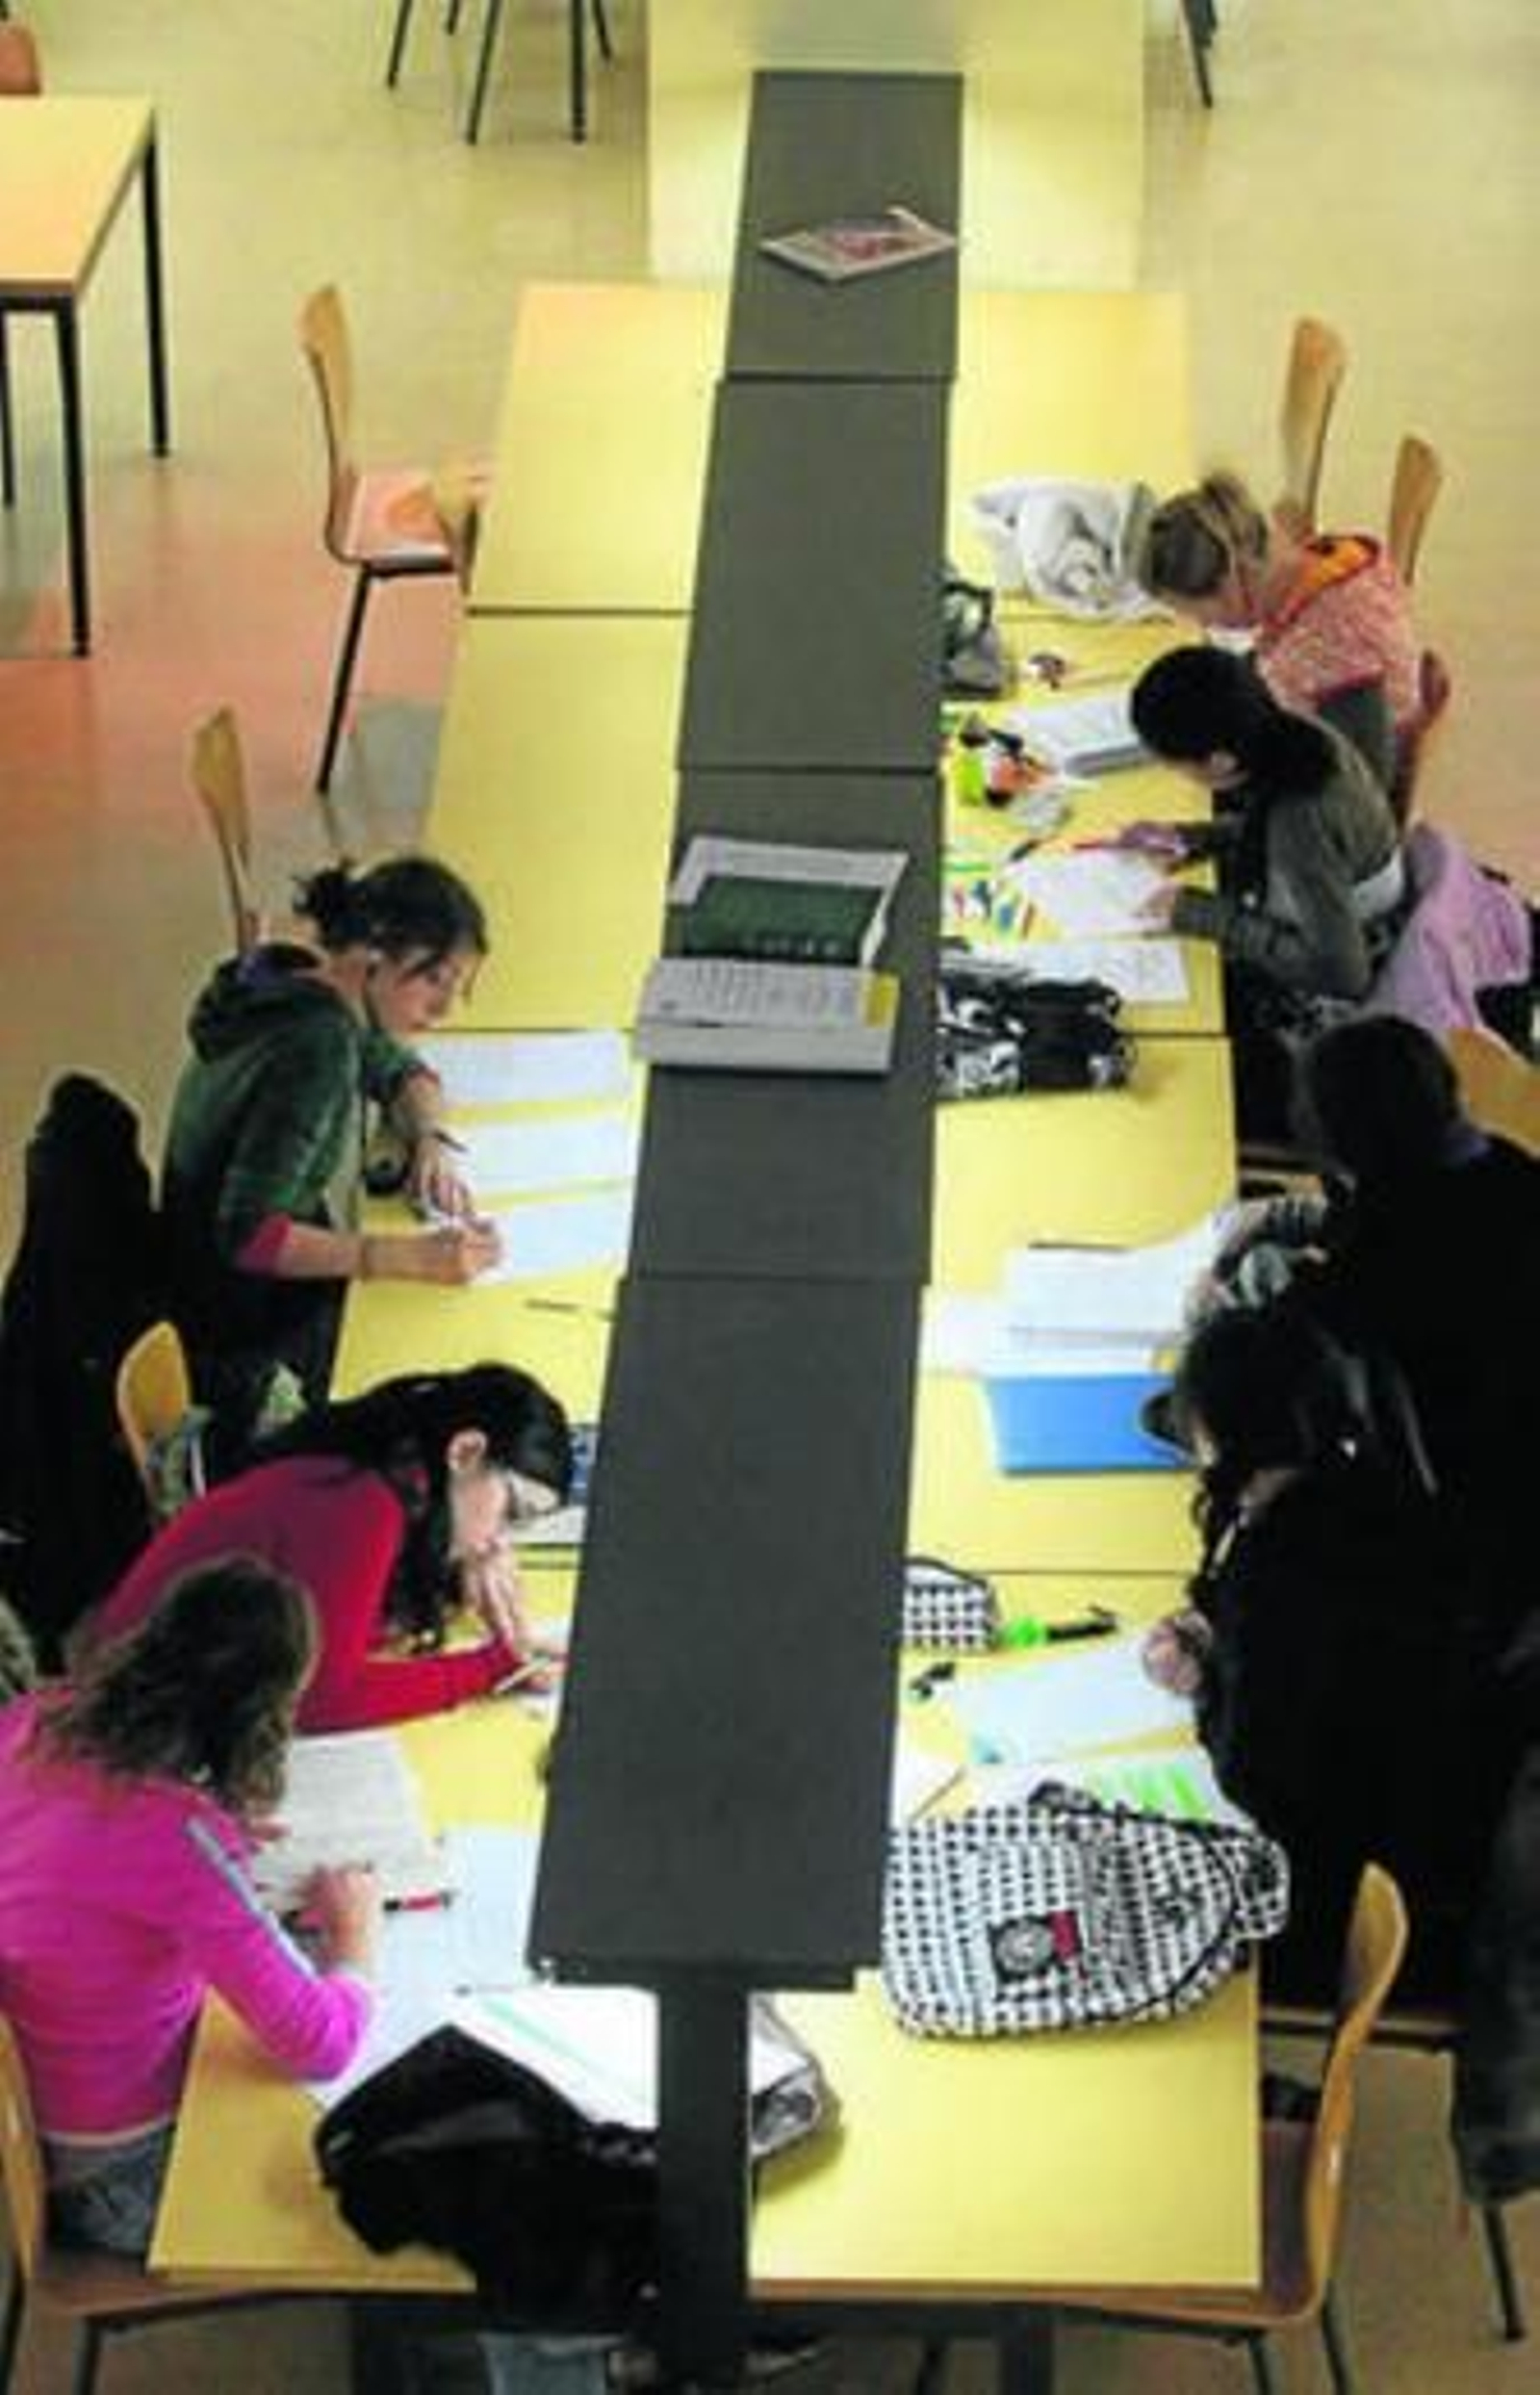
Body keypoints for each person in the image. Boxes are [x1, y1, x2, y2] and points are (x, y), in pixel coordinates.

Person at [0, 1558, 378, 2255]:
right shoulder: (180, 1841)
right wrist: (355, 1942)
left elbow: (81, 1859)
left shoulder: (36, 1719)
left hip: (42, 2125)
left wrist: (212, 1831)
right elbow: (322, 2046)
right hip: (119, 2178)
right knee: (369, 2144)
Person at [1143, 1306, 1510, 2004]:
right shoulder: (1378, 1488)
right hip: (1423, 1838)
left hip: (1327, 1897)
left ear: (1213, 1438)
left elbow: (1254, 1777)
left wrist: (1204, 1685)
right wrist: (1223, 1642)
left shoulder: (1274, 1573)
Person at [162, 854, 501, 1462]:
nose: (445, 1009)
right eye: (434, 981)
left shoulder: (294, 982)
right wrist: (406, 1258)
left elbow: (397, 1066)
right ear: (373, 957)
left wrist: (428, 1137)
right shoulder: (317, 1052)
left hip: (194, 1265)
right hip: (240, 1327)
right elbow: (249, 1238)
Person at [83, 1364, 573, 1732]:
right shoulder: (364, 1509)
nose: (500, 1542)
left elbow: (350, 1625)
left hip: (179, 1671)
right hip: (134, 1713)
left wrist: (449, 1579)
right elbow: (321, 1698)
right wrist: (490, 1668)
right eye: (512, 1513)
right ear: (465, 1452)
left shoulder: (396, 1453)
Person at [1125, 646, 1406, 1137]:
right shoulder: (1296, 736)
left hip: (1338, 983)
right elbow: (1266, 826)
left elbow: (1343, 972)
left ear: (1217, 762)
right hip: (1329, 908)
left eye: (1178, 766)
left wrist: (1203, 914)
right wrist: (1193, 838)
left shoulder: (1299, 822)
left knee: (1162, 1044)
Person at [1134, 468, 1423, 785]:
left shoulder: (1323, 646)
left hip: (1365, 779)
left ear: (1231, 583)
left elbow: (1359, 784)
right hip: (1359, 736)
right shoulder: (1320, 565)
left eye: (1198, 613)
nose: (1203, 624)